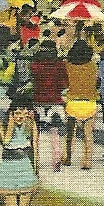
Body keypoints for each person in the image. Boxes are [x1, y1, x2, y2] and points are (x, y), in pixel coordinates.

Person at [29, 39, 68, 170]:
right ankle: (56, 159)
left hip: (38, 101)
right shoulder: (60, 65)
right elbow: (64, 84)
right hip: (55, 102)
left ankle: (34, 160)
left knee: (35, 134)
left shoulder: (34, 65)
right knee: (54, 133)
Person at [62, 38, 100, 170]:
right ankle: (87, 161)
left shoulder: (67, 65)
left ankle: (67, 157)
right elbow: (96, 82)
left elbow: (65, 82)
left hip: (72, 102)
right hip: (89, 103)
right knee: (88, 134)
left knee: (70, 133)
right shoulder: (93, 66)